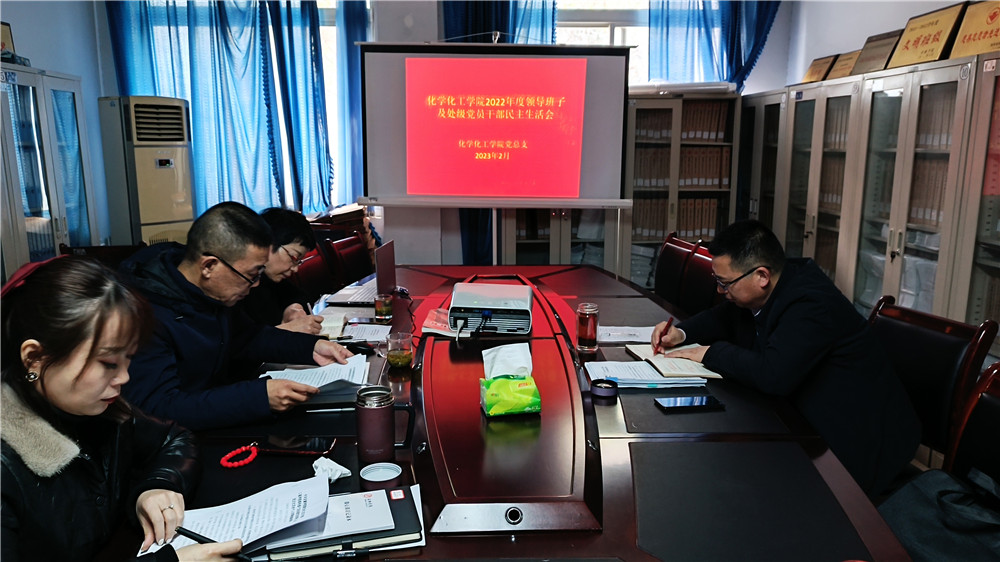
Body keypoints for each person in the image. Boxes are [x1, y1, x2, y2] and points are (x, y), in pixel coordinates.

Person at [651, 220, 920, 496]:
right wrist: (681, 333)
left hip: (856, 444)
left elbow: (773, 375)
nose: (721, 291)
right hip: (799, 419)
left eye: (725, 283)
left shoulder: (810, 303)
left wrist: (710, 352)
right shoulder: (772, 286)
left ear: (762, 276)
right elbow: (725, 317)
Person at [0, 257, 243, 562]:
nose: (125, 378)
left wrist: (155, 486)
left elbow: (174, 438)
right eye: (108, 363)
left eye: (129, 359)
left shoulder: (100, 413)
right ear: (34, 358)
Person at [119, 202, 352, 431]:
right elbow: (159, 408)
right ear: (209, 266)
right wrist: (259, 397)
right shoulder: (145, 313)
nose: (256, 284)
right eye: (252, 275)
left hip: (220, 419)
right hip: (182, 439)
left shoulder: (212, 293)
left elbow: (248, 337)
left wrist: (311, 348)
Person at [239, 207, 323, 335]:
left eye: (299, 261)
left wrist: (293, 307)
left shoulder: (270, 279)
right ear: (268, 244)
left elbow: (300, 296)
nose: (295, 268)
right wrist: (282, 331)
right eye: (294, 257)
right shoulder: (239, 285)